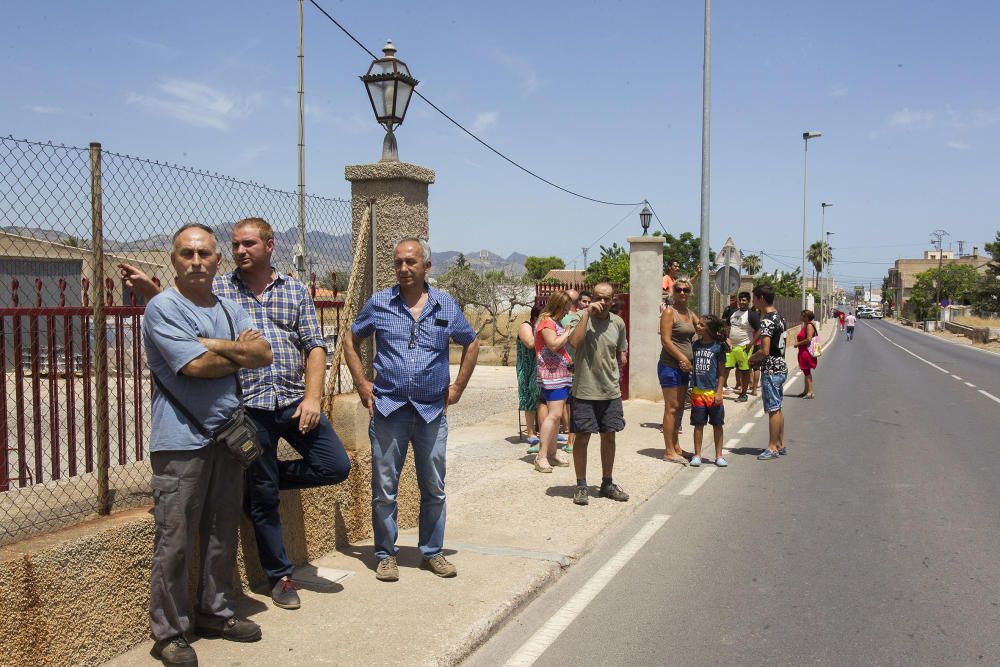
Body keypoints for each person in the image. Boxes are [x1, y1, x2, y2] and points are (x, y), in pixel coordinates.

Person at [122, 217, 352, 611]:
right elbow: (181, 312)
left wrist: (313, 398)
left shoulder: (293, 290)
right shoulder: (222, 290)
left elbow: (314, 346)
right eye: (235, 245)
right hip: (248, 409)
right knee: (262, 499)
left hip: (294, 401)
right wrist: (153, 294)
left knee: (335, 465)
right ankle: (280, 576)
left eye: (248, 244)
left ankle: (257, 483)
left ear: (269, 244)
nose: (241, 251)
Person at [143, 224, 272, 666]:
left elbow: (264, 355)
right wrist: (234, 352)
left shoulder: (230, 308)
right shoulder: (163, 308)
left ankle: (215, 612)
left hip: (227, 438)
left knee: (220, 532)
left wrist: (218, 346)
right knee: (175, 540)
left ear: (219, 260)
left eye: (204, 254)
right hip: (180, 443)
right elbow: (196, 367)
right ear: (173, 259)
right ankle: (170, 632)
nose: (196, 262)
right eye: (187, 254)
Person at [343, 237, 480, 582]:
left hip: (432, 412)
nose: (404, 269)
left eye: (411, 262)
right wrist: (362, 383)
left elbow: (471, 341)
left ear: (426, 267)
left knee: (434, 486)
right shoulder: (379, 303)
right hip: (389, 410)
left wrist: (459, 387)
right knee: (384, 488)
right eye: (399, 263)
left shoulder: (444, 305)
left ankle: (432, 552)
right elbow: (350, 338)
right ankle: (386, 555)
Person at [567, 282, 629, 505]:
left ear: (613, 300)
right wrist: (586, 315)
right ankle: (581, 485)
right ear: (592, 298)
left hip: (610, 390)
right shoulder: (579, 317)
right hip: (585, 389)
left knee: (609, 437)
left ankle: (607, 483)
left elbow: (619, 352)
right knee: (582, 437)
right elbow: (574, 343)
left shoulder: (618, 323)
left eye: (607, 298)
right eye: (599, 298)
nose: (603, 303)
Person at [533, 291, 574, 473]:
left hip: (560, 373)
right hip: (551, 375)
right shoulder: (546, 322)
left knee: (556, 415)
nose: (567, 312)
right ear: (559, 306)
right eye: (566, 308)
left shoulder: (553, 322)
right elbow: (554, 344)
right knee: (555, 415)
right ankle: (541, 455)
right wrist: (567, 333)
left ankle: (552, 452)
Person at [658, 278, 697, 466]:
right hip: (670, 366)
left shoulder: (690, 313)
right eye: (679, 289)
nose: (683, 293)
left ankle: (677, 447)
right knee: (671, 407)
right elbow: (665, 341)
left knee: (680, 407)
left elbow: (703, 329)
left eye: (686, 290)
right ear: (673, 291)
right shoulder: (668, 313)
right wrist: (682, 358)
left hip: (684, 367)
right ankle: (668, 451)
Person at [749, 284, 788, 461]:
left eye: (754, 297)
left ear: (761, 298)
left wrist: (752, 359)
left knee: (773, 408)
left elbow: (764, 350)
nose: (753, 301)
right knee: (778, 407)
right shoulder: (780, 318)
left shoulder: (766, 321)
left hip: (771, 368)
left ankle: (772, 447)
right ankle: (780, 443)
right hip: (781, 365)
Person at [689, 314, 728, 468]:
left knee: (717, 425)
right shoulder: (695, 345)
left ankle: (719, 456)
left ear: (709, 329)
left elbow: (722, 372)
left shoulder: (718, 347)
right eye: (697, 324)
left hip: (713, 392)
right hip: (698, 392)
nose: (697, 326)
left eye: (701, 325)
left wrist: (719, 392)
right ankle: (697, 454)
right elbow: (694, 365)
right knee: (698, 424)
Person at [516, 306, 548, 450]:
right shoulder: (525, 326)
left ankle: (544, 432)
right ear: (536, 317)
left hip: (540, 369)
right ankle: (530, 432)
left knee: (542, 400)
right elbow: (529, 343)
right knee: (529, 398)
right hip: (527, 368)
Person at [726, 291, 760, 402]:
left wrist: (751, 343)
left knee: (745, 370)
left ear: (748, 301)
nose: (741, 302)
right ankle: (721, 388)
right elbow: (727, 326)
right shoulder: (734, 313)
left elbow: (759, 330)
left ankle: (743, 394)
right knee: (725, 367)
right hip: (732, 347)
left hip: (744, 347)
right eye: (740, 299)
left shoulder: (752, 315)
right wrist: (727, 338)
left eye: (744, 300)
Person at [794, 309, 818, 399]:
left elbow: (808, 339)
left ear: (806, 317)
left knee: (807, 372)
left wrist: (798, 344)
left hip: (806, 352)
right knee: (806, 372)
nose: (800, 316)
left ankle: (810, 392)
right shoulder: (806, 325)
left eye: (801, 315)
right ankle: (806, 391)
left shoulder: (809, 326)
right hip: (803, 351)